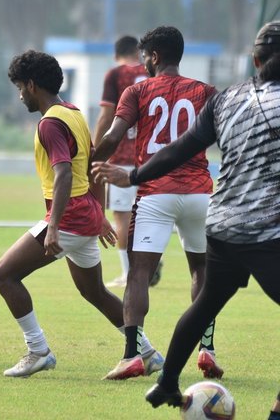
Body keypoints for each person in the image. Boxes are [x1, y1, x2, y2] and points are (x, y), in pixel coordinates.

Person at [94, 20, 280, 419]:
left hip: (187, 205)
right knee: (203, 279)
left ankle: (146, 364)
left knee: (148, 275)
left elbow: (146, 143)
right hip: (219, 204)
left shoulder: (157, 92)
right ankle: (211, 352)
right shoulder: (207, 92)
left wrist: (112, 168)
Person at [0, 50, 163, 378]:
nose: (20, 95)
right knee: (94, 291)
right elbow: (94, 165)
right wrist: (99, 213)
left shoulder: (50, 124)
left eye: (20, 87)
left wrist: (53, 227)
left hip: (69, 217)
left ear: (32, 85)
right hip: (85, 215)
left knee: (4, 275)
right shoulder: (73, 113)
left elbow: (65, 174)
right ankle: (147, 353)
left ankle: (38, 350)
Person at [92, 26, 221, 380]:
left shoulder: (137, 91)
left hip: (155, 193)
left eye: (145, 56)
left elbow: (113, 136)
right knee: (202, 271)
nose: (143, 63)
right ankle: (207, 349)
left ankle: (132, 356)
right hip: (199, 194)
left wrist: (88, 162)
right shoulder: (206, 92)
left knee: (139, 273)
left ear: (155, 56)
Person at [92, 36, 150, 288]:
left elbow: (107, 116)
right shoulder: (154, 73)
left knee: (123, 216)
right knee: (151, 214)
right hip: (154, 158)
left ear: (117, 55)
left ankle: (129, 273)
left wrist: (95, 151)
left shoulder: (116, 74)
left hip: (123, 159)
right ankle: (149, 264)